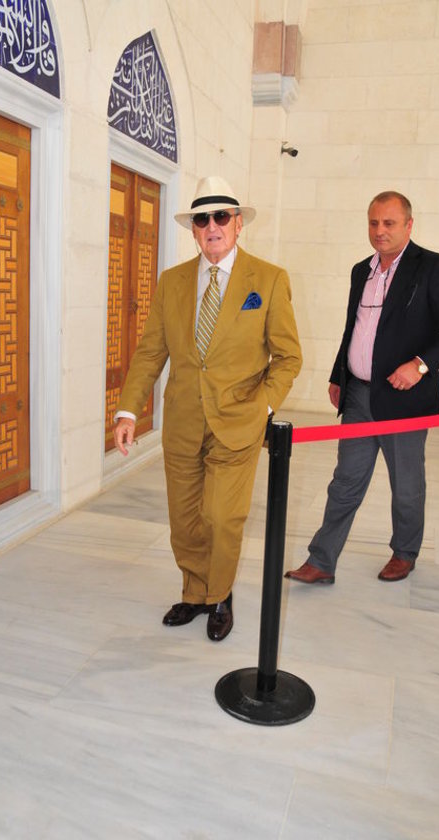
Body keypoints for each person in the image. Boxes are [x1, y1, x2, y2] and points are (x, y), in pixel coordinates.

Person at [114, 175, 302, 640]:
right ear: (193, 229)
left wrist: (263, 406)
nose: (212, 226)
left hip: (238, 422)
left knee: (222, 518)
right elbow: (150, 352)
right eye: (202, 219)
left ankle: (220, 595)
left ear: (238, 224)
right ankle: (194, 593)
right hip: (183, 422)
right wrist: (128, 410)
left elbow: (288, 357)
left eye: (221, 217)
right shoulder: (172, 282)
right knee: (185, 521)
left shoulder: (269, 280)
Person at [285, 191, 439, 586]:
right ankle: (321, 561)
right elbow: (354, 329)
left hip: (405, 399)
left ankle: (404, 553)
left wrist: (419, 365)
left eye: (389, 223)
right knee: (345, 481)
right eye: (373, 223)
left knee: (406, 486)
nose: (379, 231)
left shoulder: (434, 267)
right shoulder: (362, 270)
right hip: (359, 395)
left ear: (409, 225)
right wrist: (339, 375)